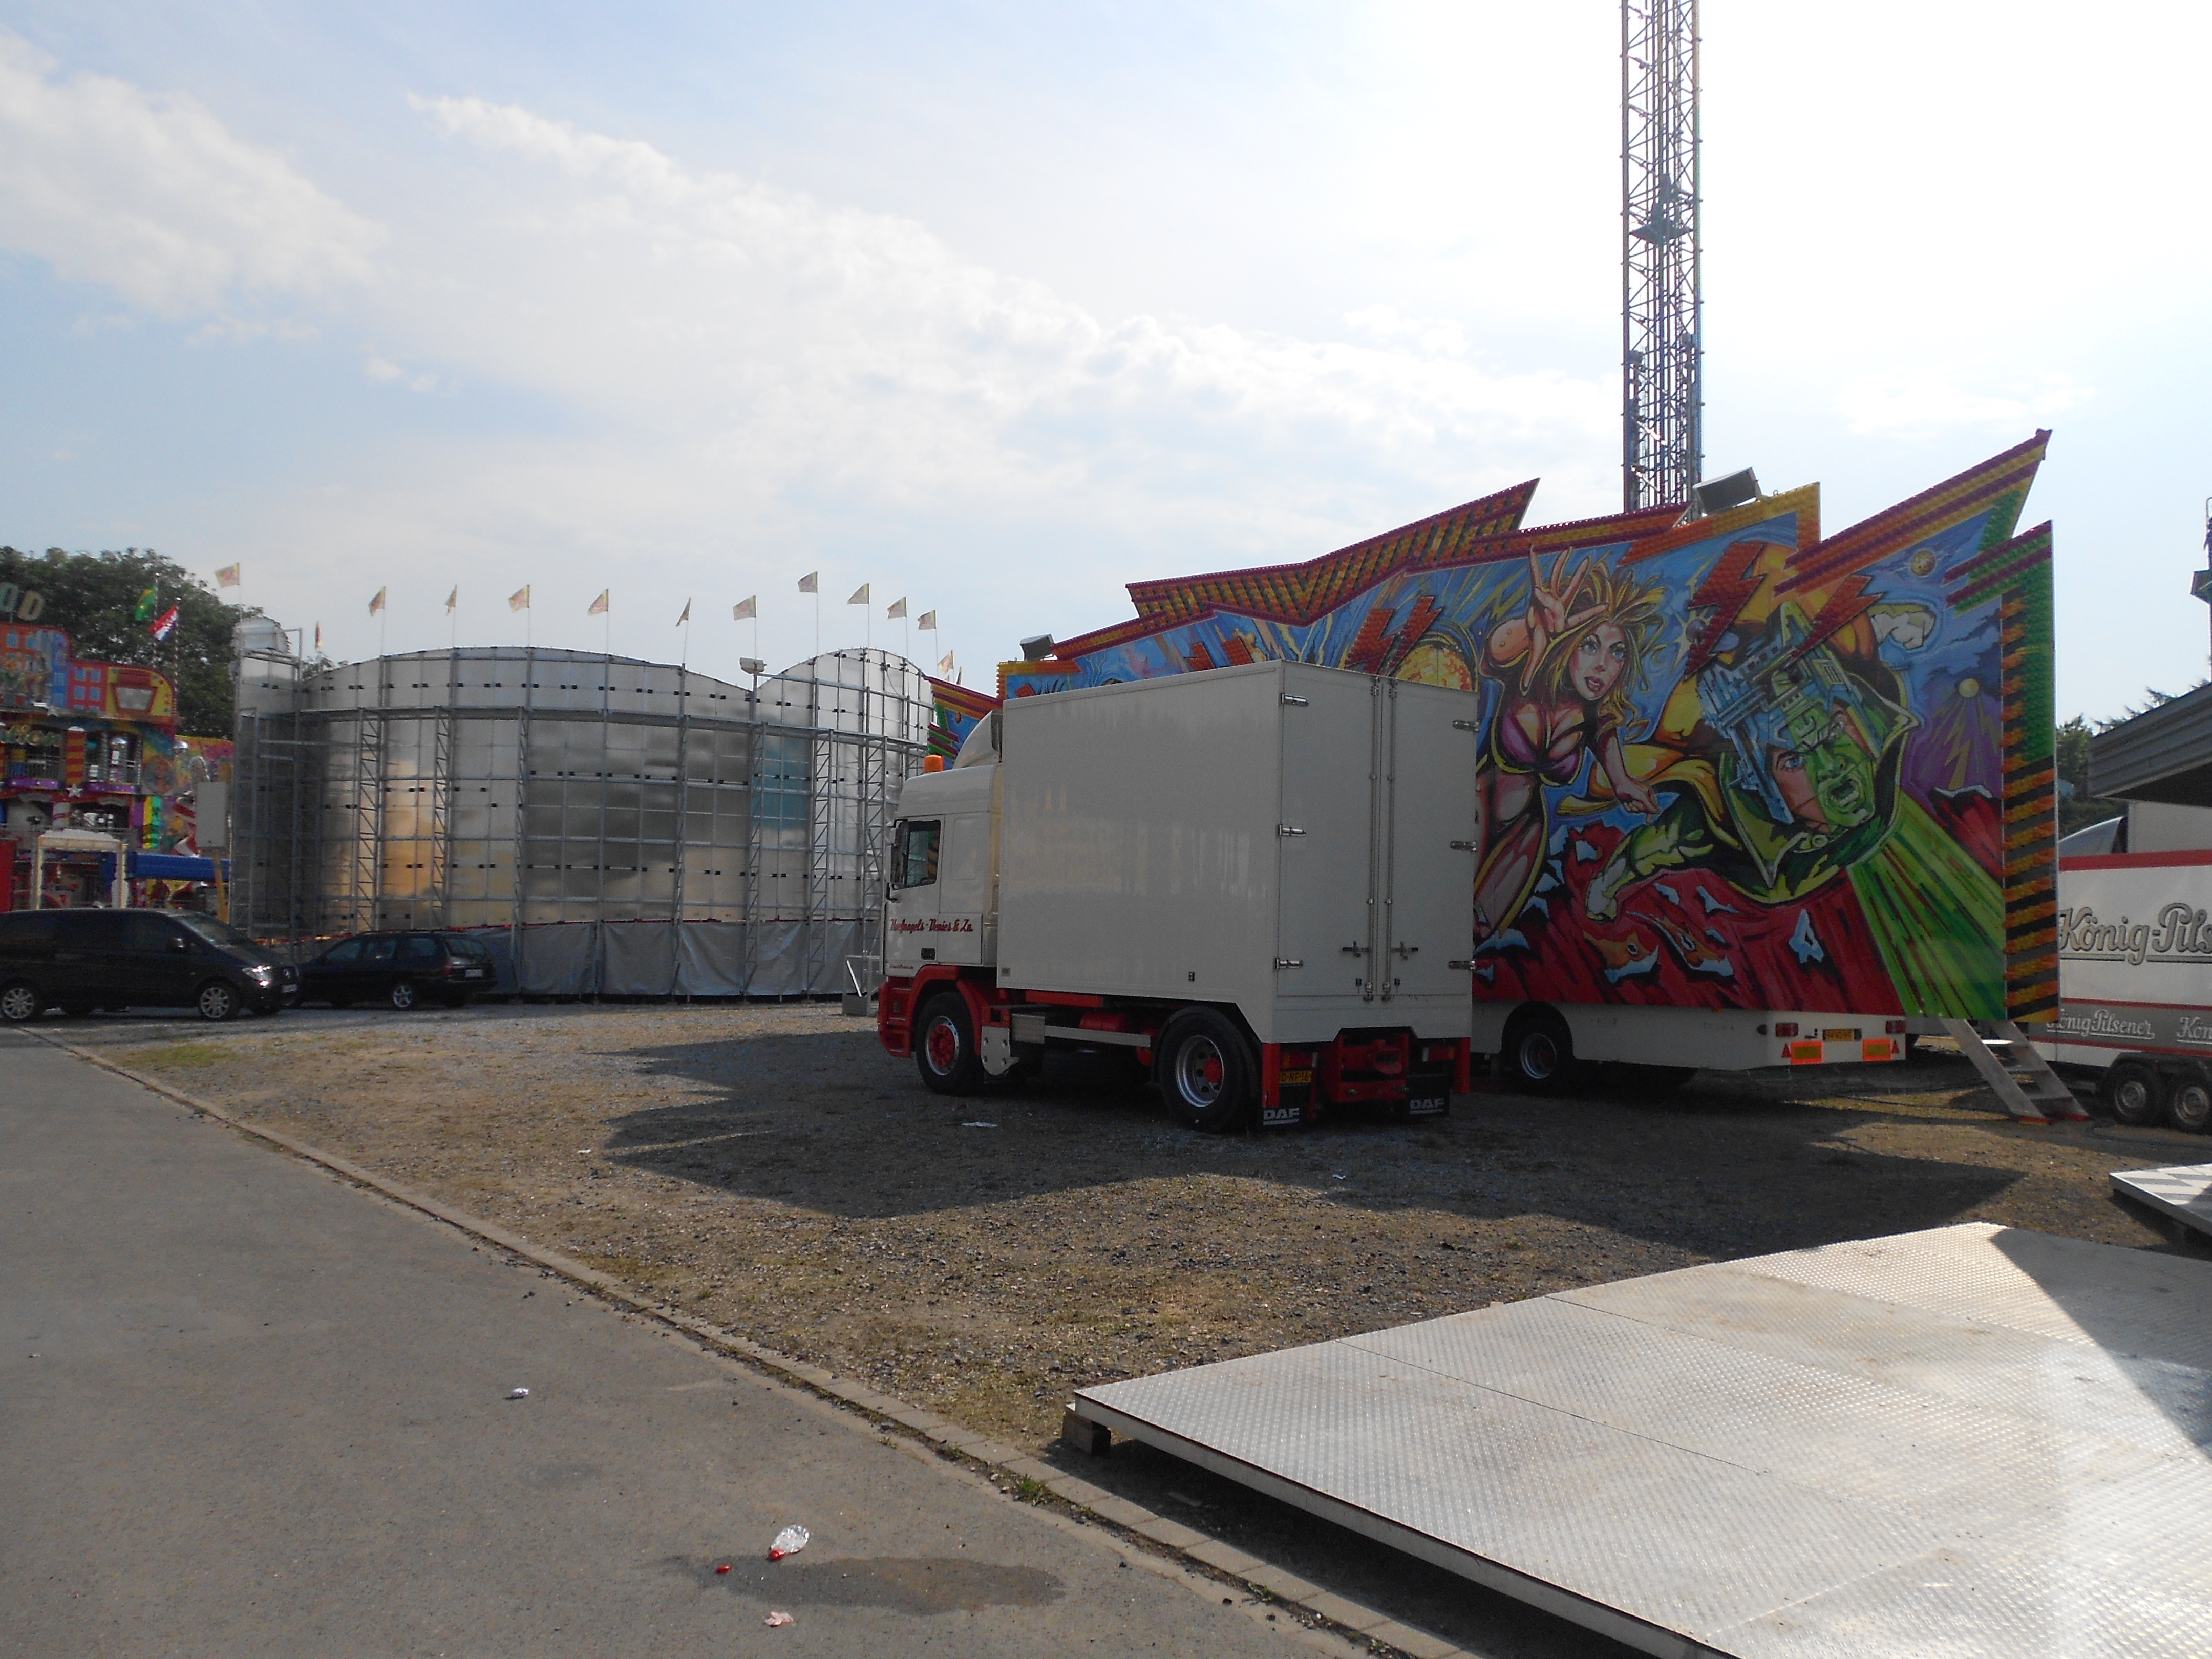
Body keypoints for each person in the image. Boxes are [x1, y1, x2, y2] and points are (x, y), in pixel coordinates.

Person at [1472, 550, 1665, 945]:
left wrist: (1623, 782)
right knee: (1444, 905)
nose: (1603, 665)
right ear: (1570, 644)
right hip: (1478, 801)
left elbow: (1606, 737)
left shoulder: (1592, 716)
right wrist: (1532, 625)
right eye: (1591, 646)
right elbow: (1494, 651)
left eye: (1617, 652)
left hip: (1527, 828)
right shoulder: (1531, 675)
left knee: (1479, 930)